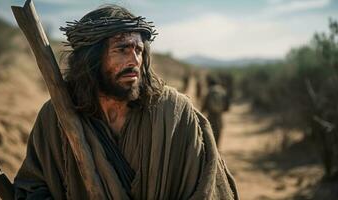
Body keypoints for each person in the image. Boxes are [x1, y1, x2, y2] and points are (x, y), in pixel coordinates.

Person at [13, 5, 238, 200]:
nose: (134, 60)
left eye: (138, 50)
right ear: (91, 58)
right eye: (121, 49)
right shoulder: (55, 118)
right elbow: (32, 186)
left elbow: (207, 188)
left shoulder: (175, 114)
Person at [202, 75, 229, 146]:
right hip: (219, 116)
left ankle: (211, 148)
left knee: (209, 131)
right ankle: (217, 147)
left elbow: (204, 104)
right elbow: (227, 107)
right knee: (218, 132)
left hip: (210, 115)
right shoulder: (223, 91)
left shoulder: (209, 91)